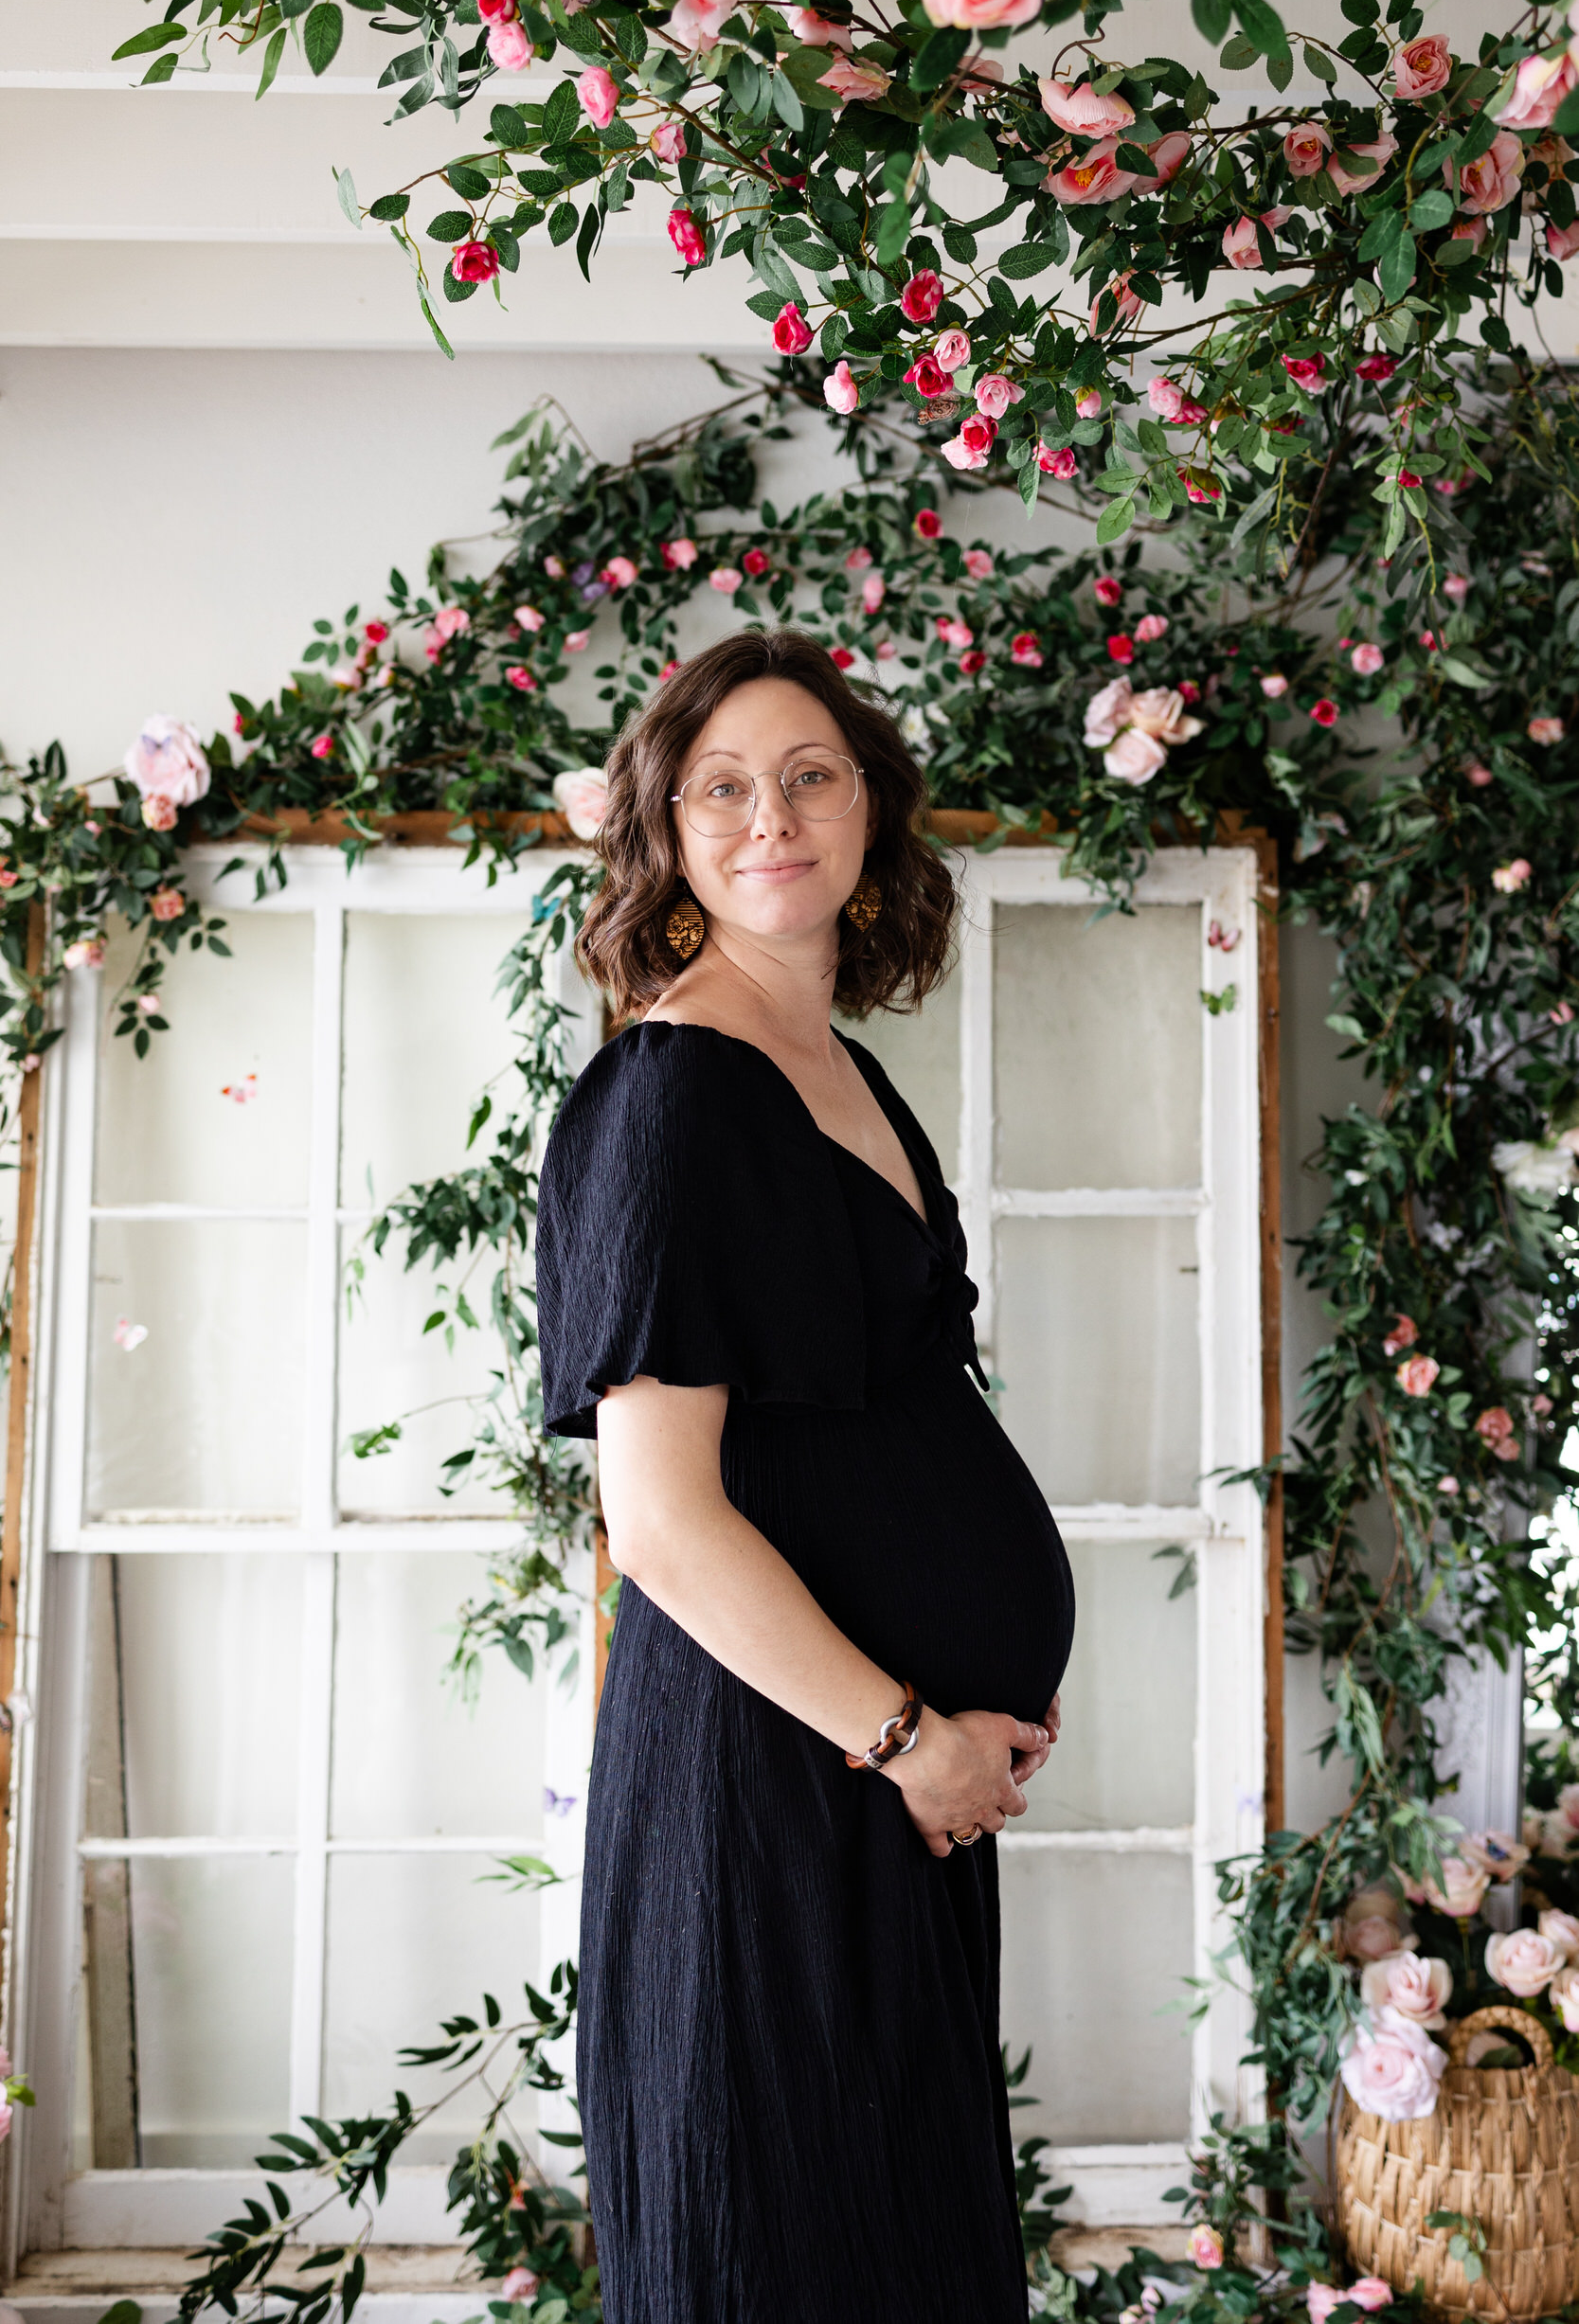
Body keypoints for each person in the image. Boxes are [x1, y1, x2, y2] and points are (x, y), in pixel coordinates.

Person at [534, 628, 1075, 2324]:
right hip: (769, 1797)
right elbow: (662, 1524)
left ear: (871, 811)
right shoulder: (674, 1092)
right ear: (668, 834)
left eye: (810, 774)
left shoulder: (839, 1070)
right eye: (721, 788)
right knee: (789, 2255)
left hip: (872, 1785)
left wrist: (965, 1695)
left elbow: (876, 1429)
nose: (770, 815)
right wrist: (915, 1739)